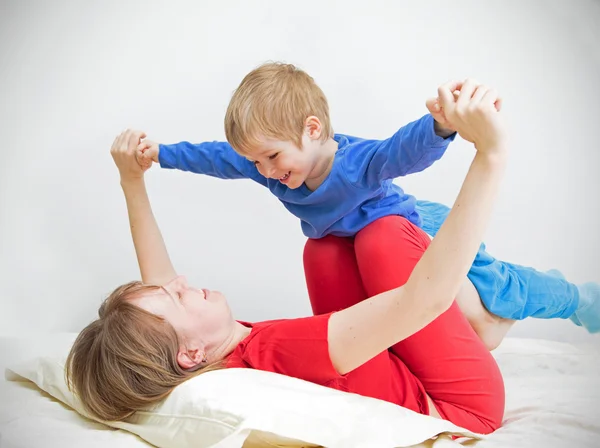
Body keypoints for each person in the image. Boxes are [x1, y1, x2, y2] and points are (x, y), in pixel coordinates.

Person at [67, 81, 507, 434]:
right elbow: (422, 301)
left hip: (399, 367)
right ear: (190, 353)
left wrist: (132, 182)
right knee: (386, 236)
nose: (179, 281)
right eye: (175, 298)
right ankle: (488, 317)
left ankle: (477, 316)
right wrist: (489, 153)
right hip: (461, 407)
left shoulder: (206, 360)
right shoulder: (279, 351)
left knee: (326, 249)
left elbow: (160, 294)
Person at [136, 63, 599, 340]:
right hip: (372, 251)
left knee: (503, 292)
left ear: (312, 129)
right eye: (256, 161)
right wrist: (161, 155)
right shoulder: (273, 171)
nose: (266, 171)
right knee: (476, 319)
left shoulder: (355, 162)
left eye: (272, 156)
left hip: (425, 226)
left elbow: (400, 150)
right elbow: (216, 158)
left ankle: (575, 298)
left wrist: (438, 125)